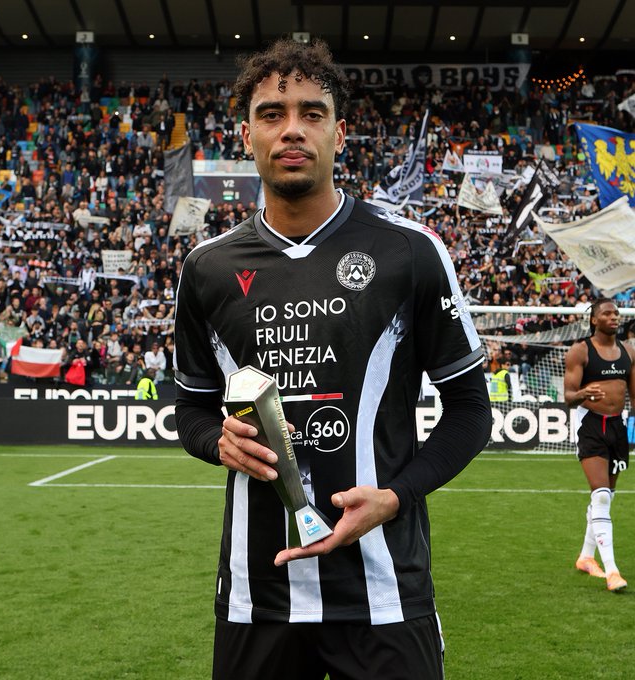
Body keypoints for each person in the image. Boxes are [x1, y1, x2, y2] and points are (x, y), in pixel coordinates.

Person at [172, 38, 494, 680]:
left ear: (340, 132)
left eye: (311, 112)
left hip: (384, 593)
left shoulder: (410, 252)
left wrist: (396, 496)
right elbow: (191, 410)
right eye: (271, 113)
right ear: (247, 135)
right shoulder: (206, 269)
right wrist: (218, 442)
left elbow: (469, 412)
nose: (292, 129)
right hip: (255, 597)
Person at [564, 298, 635, 593]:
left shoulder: (628, 352)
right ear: (594, 319)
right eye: (606, 313)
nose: (614, 317)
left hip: (617, 428)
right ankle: (612, 572)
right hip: (591, 425)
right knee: (602, 496)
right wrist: (583, 393)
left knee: (606, 497)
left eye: (616, 313)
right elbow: (568, 396)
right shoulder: (580, 351)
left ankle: (586, 557)